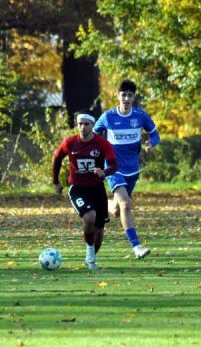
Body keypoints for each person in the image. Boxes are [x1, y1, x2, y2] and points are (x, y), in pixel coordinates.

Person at [93, 80, 160, 259]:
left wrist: (150, 143)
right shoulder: (108, 117)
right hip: (113, 167)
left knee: (116, 210)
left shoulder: (140, 116)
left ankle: (102, 204)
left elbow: (155, 135)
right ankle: (136, 246)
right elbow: (93, 135)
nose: (127, 98)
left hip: (132, 169)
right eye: (123, 94)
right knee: (126, 204)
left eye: (130, 95)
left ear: (134, 97)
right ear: (118, 96)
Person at [52, 111, 118, 271]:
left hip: (97, 189)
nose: (82, 127)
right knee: (89, 217)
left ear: (92, 125)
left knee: (99, 230)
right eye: (80, 123)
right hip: (77, 188)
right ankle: (90, 256)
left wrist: (105, 172)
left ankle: (90, 259)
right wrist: (56, 182)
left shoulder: (102, 143)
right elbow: (57, 158)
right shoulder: (70, 142)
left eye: (86, 124)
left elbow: (114, 165)